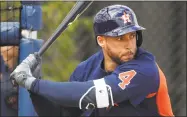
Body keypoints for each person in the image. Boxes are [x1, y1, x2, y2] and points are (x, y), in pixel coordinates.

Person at [10, 4, 174, 116]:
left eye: (132, 36)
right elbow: (59, 114)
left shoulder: (146, 69)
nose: (129, 44)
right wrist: (34, 89)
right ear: (101, 40)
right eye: (120, 38)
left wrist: (33, 84)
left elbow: (93, 94)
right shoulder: (85, 70)